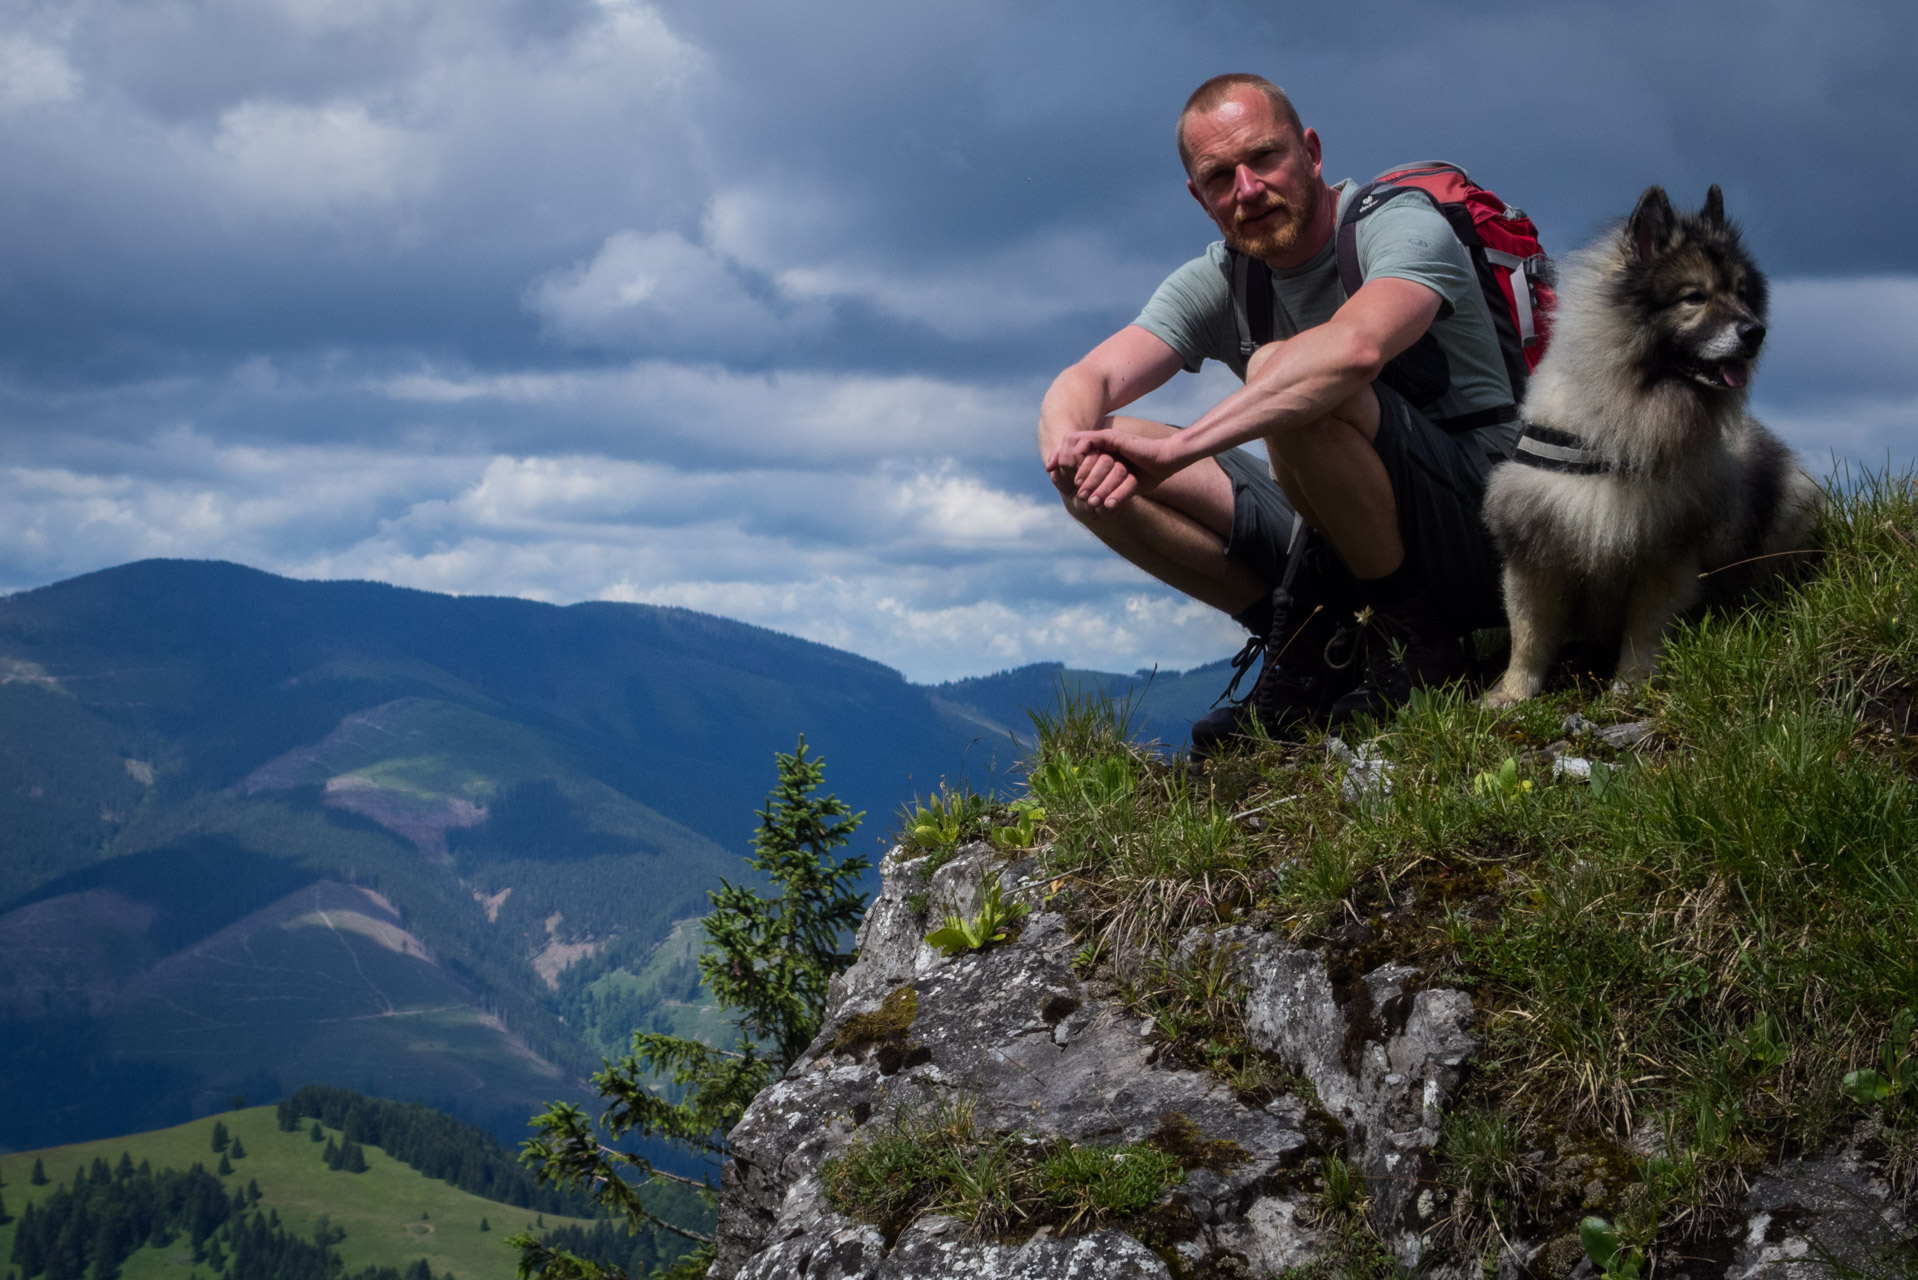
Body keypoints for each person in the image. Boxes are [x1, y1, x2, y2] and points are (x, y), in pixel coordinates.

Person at [1039, 73, 1519, 754]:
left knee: (1284, 369)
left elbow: (1353, 352)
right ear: (1199, 197)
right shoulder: (1224, 277)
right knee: (1096, 456)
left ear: (1312, 152)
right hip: (1348, 528)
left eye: (1265, 157)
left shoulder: (1401, 225)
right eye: (1220, 176)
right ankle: (1312, 641)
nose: (1248, 188)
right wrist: (1066, 452)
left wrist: (1177, 452)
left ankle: (1417, 647)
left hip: (1491, 527)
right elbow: (1087, 377)